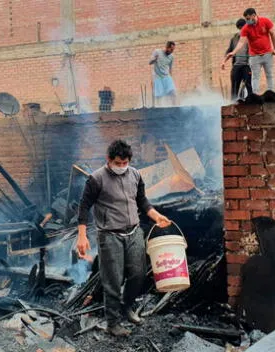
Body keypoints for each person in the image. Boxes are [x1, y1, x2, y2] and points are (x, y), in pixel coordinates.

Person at [76, 140, 171, 337]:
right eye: (118, 163)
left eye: (125, 163)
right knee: (113, 280)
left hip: (134, 231)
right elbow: (84, 206)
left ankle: (126, 307)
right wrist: (82, 235)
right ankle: (112, 323)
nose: (122, 167)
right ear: (109, 160)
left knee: (138, 273)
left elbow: (142, 201)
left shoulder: (135, 175)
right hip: (109, 235)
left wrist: (156, 215)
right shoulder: (96, 179)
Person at [224, 8, 275, 94]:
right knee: (255, 77)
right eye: (246, 19)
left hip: (267, 54)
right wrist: (233, 52)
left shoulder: (265, 21)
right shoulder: (246, 28)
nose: (247, 21)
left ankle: (271, 93)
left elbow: (272, 34)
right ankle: (255, 96)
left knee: (269, 75)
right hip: (255, 56)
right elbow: (241, 42)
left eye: (248, 19)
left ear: (254, 15)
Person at [221, 18, 253, 100]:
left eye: (243, 28)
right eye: (239, 28)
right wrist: (224, 62)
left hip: (246, 66)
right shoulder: (234, 39)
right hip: (236, 66)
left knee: (248, 86)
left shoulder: (250, 38)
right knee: (234, 87)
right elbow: (229, 51)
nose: (241, 30)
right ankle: (233, 105)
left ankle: (251, 103)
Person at [149, 41, 178, 106]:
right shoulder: (157, 52)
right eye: (171, 49)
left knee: (173, 93)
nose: (172, 51)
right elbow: (150, 62)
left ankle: (175, 108)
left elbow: (170, 69)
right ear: (167, 47)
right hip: (158, 77)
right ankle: (159, 110)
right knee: (158, 96)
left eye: (173, 50)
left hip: (166, 76)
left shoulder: (171, 57)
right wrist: (154, 59)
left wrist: (171, 79)